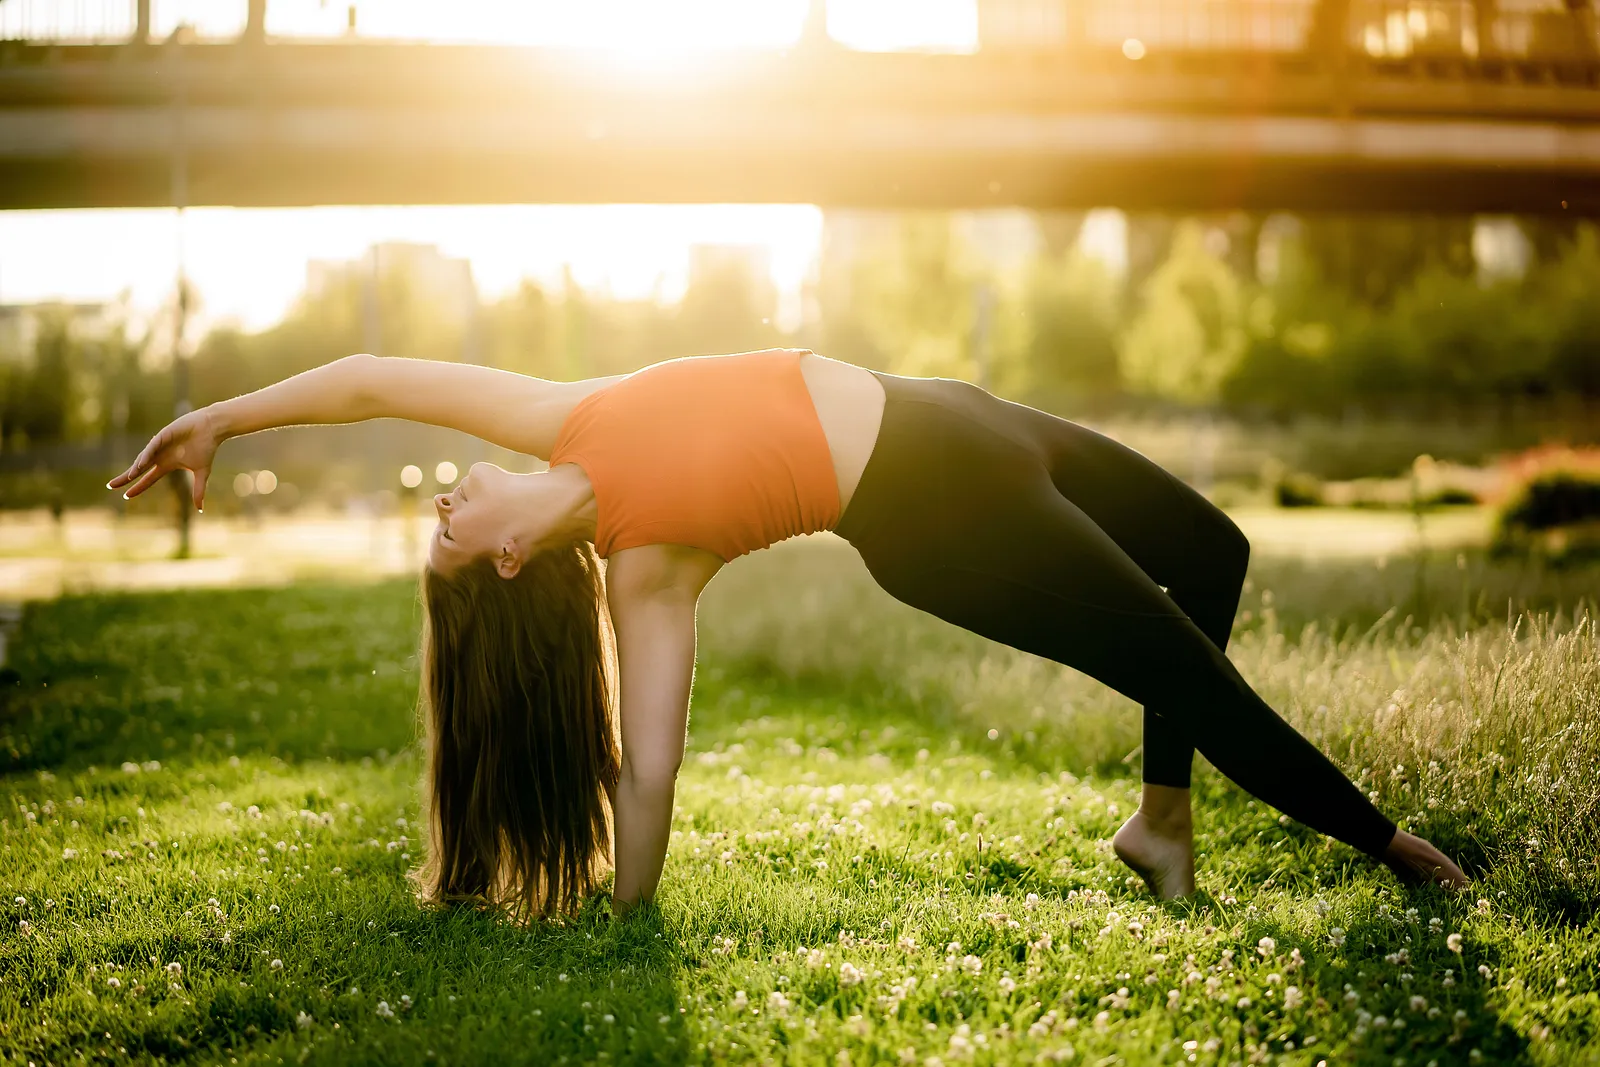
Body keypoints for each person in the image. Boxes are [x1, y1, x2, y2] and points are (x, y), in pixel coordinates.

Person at [108, 348, 1468, 918]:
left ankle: (1158, 821)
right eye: (449, 535)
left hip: (954, 410)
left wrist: (222, 417)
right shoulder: (648, 573)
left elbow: (368, 378)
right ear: (512, 558)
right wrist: (627, 901)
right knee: (1173, 655)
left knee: (1209, 554)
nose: (447, 497)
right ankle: (1397, 848)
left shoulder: (560, 412)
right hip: (939, 516)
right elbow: (651, 771)